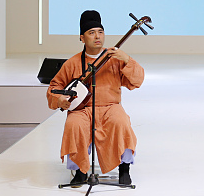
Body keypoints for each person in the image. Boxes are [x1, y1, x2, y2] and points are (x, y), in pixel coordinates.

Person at [47, 10, 145, 187]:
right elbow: (55, 87)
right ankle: (79, 170)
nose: (97, 36)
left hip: (110, 106)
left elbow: (136, 81)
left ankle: (124, 168)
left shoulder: (114, 58)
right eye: (91, 33)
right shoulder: (73, 62)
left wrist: (127, 60)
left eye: (100, 32)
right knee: (74, 125)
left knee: (121, 122)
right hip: (83, 109)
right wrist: (60, 100)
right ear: (82, 38)